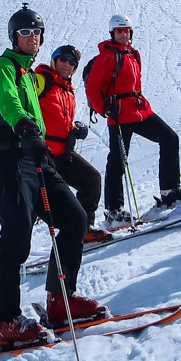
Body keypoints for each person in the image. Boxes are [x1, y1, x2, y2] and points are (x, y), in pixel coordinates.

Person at [0, 5, 103, 348]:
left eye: (36, 33)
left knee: (76, 218)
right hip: (9, 161)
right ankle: (6, 321)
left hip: (39, 158)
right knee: (17, 238)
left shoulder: (26, 73)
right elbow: (8, 103)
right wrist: (22, 123)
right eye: (26, 32)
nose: (32, 38)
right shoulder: (3, 68)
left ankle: (60, 301)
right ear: (13, 36)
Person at [84, 13, 181, 224]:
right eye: (119, 31)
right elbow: (92, 88)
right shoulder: (107, 57)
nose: (123, 34)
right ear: (112, 33)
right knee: (118, 162)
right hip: (119, 116)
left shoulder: (133, 54)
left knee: (169, 138)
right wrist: (104, 110)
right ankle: (114, 210)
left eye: (126, 31)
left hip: (140, 112)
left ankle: (170, 191)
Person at [33, 44, 110, 243]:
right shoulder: (42, 80)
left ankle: (83, 231)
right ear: (54, 60)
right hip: (42, 154)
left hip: (62, 154)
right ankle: (16, 254)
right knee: (37, 203)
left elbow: (60, 122)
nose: (67, 65)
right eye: (63, 60)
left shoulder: (68, 91)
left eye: (72, 63)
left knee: (91, 179)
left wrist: (75, 130)